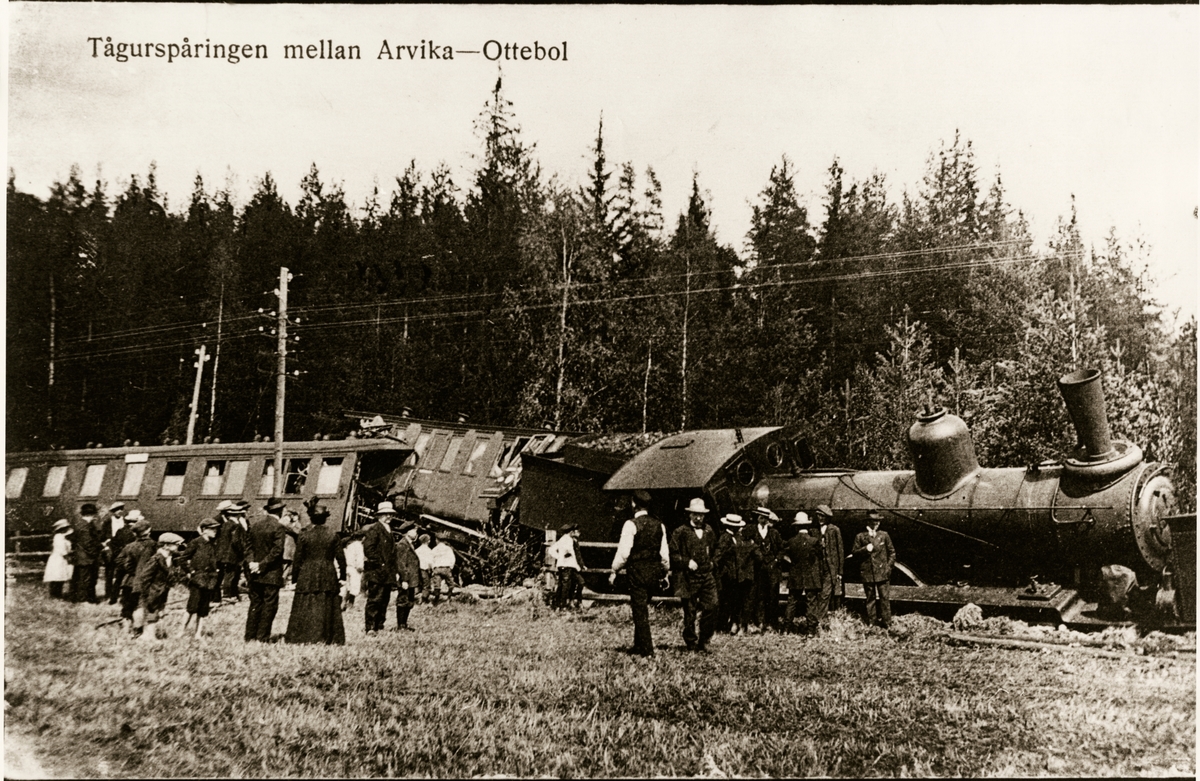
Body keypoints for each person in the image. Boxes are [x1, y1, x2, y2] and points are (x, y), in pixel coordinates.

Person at [608, 489, 670, 658]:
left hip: (637, 572)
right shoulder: (660, 525)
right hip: (654, 572)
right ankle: (638, 645)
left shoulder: (630, 524)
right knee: (643, 607)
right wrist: (664, 572)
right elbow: (664, 555)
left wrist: (614, 570)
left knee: (639, 611)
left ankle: (647, 650)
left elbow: (623, 553)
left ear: (633, 504)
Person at [285, 500, 347, 645]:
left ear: (311, 518)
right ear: (325, 518)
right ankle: (328, 637)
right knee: (327, 603)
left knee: (306, 602)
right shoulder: (332, 535)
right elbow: (341, 558)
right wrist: (342, 577)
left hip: (307, 572)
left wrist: (295, 578)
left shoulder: (304, 534)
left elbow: (298, 559)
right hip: (328, 571)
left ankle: (303, 636)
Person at [670, 497, 720, 653]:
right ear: (690, 515)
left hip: (706, 575)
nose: (698, 518)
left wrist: (713, 563)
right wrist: (686, 562)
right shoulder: (680, 532)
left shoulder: (709, 530)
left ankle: (705, 640)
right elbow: (673, 554)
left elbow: (717, 549)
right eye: (695, 515)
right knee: (690, 611)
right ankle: (691, 642)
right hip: (689, 577)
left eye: (701, 515)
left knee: (712, 605)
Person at [244, 497, 288, 642]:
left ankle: (250, 636)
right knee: (269, 606)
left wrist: (252, 563)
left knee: (255, 604)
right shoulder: (279, 527)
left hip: (254, 573)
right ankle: (262, 637)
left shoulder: (256, 525)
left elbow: (248, 547)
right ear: (280, 511)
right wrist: (262, 565)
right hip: (271, 573)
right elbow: (277, 551)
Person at [134, 532, 185, 642]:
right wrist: (147, 593)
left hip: (161, 591)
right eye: (176, 544)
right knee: (151, 613)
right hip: (153, 591)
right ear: (166, 545)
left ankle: (150, 635)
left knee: (157, 613)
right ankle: (148, 636)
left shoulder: (169, 558)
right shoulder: (156, 559)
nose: (178, 546)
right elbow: (144, 577)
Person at [783, 512, 825, 635]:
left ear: (796, 527)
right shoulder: (814, 541)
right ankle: (811, 631)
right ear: (807, 526)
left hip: (795, 575)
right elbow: (820, 557)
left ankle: (786, 629)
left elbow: (785, 555)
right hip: (810, 575)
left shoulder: (791, 541)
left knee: (792, 601)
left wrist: (792, 562)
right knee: (811, 602)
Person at [851, 511, 896, 629]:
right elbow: (854, 553)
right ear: (868, 522)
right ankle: (872, 622)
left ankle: (887, 622)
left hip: (882, 573)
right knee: (870, 599)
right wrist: (865, 549)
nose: (877, 524)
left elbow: (892, 553)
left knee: (884, 598)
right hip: (868, 572)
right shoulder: (860, 536)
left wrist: (888, 567)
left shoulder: (884, 535)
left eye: (878, 521)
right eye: (874, 521)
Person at [744, 507, 785, 633]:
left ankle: (772, 623)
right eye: (761, 517)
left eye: (765, 518)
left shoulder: (774, 533)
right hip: (756, 569)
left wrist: (776, 561)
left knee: (772, 596)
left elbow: (781, 549)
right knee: (757, 595)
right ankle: (759, 622)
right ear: (757, 518)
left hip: (772, 568)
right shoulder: (751, 530)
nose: (763, 520)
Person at [179, 518, 221, 640]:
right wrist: (191, 572)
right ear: (204, 530)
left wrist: (215, 572)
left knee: (203, 609)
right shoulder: (196, 542)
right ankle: (181, 631)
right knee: (191, 607)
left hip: (209, 580)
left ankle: (198, 633)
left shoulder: (213, 544)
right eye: (212, 529)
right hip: (198, 580)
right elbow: (182, 559)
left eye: (216, 529)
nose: (215, 531)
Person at [361, 501, 399, 634]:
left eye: (390, 514)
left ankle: (379, 624)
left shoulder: (389, 529)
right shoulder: (375, 529)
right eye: (385, 514)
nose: (389, 516)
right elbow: (369, 549)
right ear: (379, 515)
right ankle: (370, 627)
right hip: (377, 571)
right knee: (375, 599)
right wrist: (381, 563)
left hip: (387, 572)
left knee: (384, 599)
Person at [714, 513, 754, 636]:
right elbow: (718, 556)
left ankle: (732, 624)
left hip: (735, 575)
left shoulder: (736, 537)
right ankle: (722, 626)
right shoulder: (725, 538)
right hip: (727, 575)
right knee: (726, 600)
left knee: (734, 600)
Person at [115, 515, 155, 634]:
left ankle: (125, 630)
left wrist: (130, 570)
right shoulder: (153, 545)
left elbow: (119, 560)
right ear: (148, 531)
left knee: (127, 605)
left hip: (128, 581)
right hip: (144, 581)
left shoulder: (129, 546)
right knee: (140, 606)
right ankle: (137, 631)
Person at [215, 500, 249, 601]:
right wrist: (242, 550)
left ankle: (223, 595)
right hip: (232, 554)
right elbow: (236, 541)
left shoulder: (225, 524)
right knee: (230, 575)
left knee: (224, 575)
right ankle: (228, 595)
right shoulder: (236, 526)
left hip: (223, 554)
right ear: (237, 514)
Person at [69, 503, 103, 604]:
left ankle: (87, 598)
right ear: (90, 515)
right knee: (85, 579)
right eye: (94, 515)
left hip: (82, 557)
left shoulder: (81, 524)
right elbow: (88, 544)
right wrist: (100, 548)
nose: (95, 517)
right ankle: (83, 600)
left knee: (83, 578)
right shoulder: (85, 527)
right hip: (87, 557)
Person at [814, 505, 844, 613]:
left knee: (826, 592)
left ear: (827, 517)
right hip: (818, 566)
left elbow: (840, 551)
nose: (820, 518)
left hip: (831, 567)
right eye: (818, 516)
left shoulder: (834, 530)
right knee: (820, 592)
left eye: (822, 516)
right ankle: (822, 614)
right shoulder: (814, 530)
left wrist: (840, 571)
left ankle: (821, 617)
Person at [550, 523, 585, 610]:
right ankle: (562, 606)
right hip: (567, 566)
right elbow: (572, 556)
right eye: (572, 531)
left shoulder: (563, 539)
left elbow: (551, 550)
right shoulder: (568, 541)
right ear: (570, 532)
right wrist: (577, 567)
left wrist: (559, 557)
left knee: (562, 585)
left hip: (563, 565)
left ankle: (559, 605)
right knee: (565, 586)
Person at [393, 521, 421, 631]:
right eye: (414, 530)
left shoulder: (408, 544)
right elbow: (401, 564)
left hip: (410, 579)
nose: (416, 533)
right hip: (406, 579)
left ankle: (404, 624)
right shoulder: (402, 545)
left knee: (409, 601)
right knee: (403, 600)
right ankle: (401, 625)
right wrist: (404, 579)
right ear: (407, 532)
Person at [101, 502, 127, 604]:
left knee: (121, 571)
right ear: (113, 512)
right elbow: (103, 535)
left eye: (121, 509)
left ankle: (119, 593)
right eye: (117, 510)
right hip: (111, 549)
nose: (119, 511)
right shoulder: (107, 522)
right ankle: (108, 593)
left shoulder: (124, 521)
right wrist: (107, 543)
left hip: (121, 549)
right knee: (109, 572)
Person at [43, 519, 74, 599]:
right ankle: (54, 594)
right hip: (58, 559)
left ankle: (58, 594)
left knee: (60, 577)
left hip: (62, 558)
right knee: (56, 576)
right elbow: (62, 550)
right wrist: (68, 557)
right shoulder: (58, 537)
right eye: (65, 528)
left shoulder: (63, 537)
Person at [429, 534, 457, 604]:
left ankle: (436, 600)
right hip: (446, 568)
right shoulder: (448, 549)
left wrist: (433, 568)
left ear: (437, 540)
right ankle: (449, 598)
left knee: (437, 585)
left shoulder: (434, 549)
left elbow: (431, 560)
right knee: (451, 584)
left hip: (437, 568)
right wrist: (451, 567)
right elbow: (453, 559)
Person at [341, 529, 365, 611]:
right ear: (362, 537)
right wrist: (361, 568)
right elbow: (359, 559)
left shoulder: (350, 545)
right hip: (355, 569)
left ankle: (343, 602)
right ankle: (350, 604)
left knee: (347, 586)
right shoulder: (359, 546)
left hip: (347, 567)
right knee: (354, 587)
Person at [414, 533, 433, 603]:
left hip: (417, 570)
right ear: (428, 541)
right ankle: (424, 599)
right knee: (426, 585)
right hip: (424, 569)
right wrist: (431, 569)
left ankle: (415, 597)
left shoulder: (417, 550)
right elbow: (430, 562)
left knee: (418, 584)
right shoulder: (428, 550)